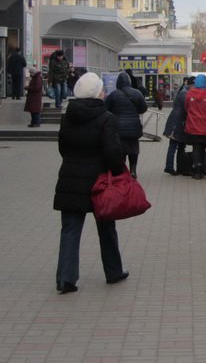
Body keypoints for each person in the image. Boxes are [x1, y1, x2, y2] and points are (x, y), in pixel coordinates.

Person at [54, 72, 129, 294]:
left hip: (70, 180)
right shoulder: (106, 118)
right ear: (97, 94)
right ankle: (113, 271)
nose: (104, 92)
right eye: (102, 90)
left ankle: (65, 278)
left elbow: (62, 148)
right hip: (100, 182)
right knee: (106, 228)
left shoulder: (67, 117)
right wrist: (119, 171)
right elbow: (112, 152)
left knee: (70, 230)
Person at [105, 71, 148, 179]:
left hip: (118, 128)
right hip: (134, 127)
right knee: (133, 149)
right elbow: (144, 108)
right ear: (129, 82)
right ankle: (133, 170)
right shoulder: (137, 93)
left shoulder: (113, 94)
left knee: (121, 151)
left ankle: (122, 171)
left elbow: (106, 109)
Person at [184, 74, 206, 179]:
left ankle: (196, 170)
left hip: (193, 126)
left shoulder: (189, 93)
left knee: (196, 147)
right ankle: (203, 168)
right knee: (203, 147)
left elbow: (186, 107)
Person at [163, 76, 194, 175]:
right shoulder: (185, 93)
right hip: (176, 124)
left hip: (178, 123)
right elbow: (188, 107)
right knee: (174, 145)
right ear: (192, 85)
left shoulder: (185, 91)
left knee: (180, 145)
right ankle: (169, 167)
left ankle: (179, 167)